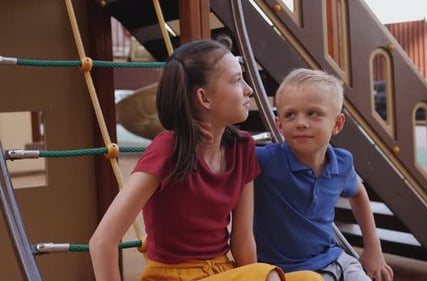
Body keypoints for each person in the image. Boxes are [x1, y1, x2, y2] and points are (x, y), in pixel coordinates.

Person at [89, 39, 322, 281]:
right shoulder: (169, 148)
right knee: (268, 276)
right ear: (204, 98)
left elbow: (242, 242)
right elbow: (102, 241)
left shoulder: (242, 148)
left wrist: (253, 275)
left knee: (311, 280)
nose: (248, 89)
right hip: (171, 276)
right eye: (235, 80)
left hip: (224, 272)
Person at [253, 68, 394, 281]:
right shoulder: (265, 160)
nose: (300, 122)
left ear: (337, 124)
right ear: (279, 125)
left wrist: (373, 248)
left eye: (313, 113)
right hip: (287, 271)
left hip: (333, 258)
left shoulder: (342, 163)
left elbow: (357, 193)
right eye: (290, 115)